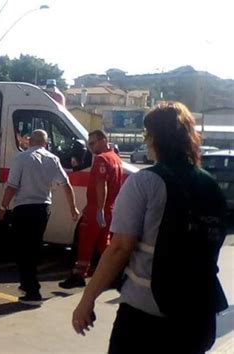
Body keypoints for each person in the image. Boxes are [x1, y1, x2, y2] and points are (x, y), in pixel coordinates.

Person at [71, 102, 228, 353]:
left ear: (154, 138)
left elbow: (120, 249)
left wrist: (86, 300)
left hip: (148, 318)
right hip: (200, 314)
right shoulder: (210, 185)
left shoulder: (145, 182)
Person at [0, 129, 80, 305]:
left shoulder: (21, 158)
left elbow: (11, 186)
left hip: (23, 209)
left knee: (23, 250)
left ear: (30, 141)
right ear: (46, 142)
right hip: (43, 209)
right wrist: (73, 208)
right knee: (34, 247)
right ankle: (28, 286)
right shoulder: (53, 159)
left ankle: (31, 289)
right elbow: (66, 185)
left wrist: (3, 207)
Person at [59, 130, 123, 288]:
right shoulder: (116, 159)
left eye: (93, 143)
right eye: (89, 144)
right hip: (110, 208)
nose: (90, 147)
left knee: (86, 242)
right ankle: (115, 274)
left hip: (97, 208)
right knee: (103, 244)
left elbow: (102, 184)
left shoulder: (101, 159)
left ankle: (79, 275)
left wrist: (99, 208)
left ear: (103, 140)